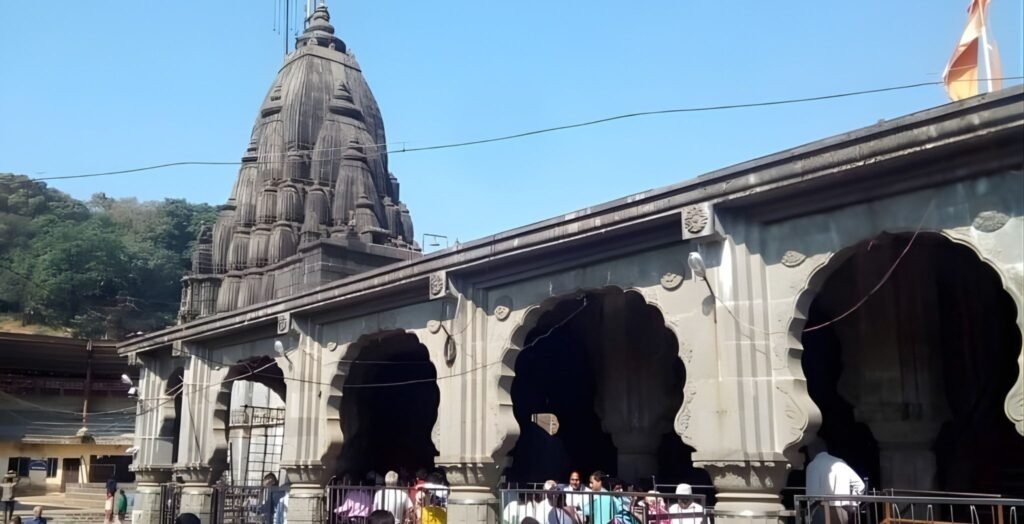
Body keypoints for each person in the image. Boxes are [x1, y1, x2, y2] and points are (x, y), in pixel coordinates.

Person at [805, 439, 865, 524]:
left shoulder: (812, 465)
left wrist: (810, 513)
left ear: (812, 450)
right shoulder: (840, 463)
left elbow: (811, 496)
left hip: (820, 510)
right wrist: (851, 505)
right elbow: (860, 485)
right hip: (842, 509)